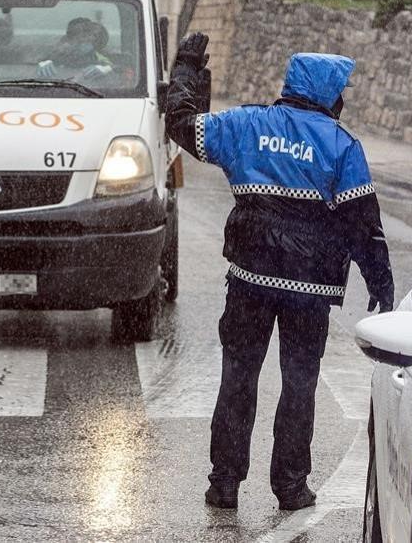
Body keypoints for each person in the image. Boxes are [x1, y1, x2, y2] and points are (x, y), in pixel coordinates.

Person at [164, 32, 394, 511]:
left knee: (238, 378)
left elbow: (182, 124)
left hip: (249, 279)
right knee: (299, 384)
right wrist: (380, 283)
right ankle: (290, 486)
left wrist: (186, 69)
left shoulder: (246, 125)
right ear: (331, 95)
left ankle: (224, 483)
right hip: (310, 292)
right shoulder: (341, 146)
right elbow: (363, 224)